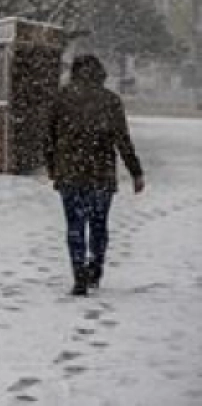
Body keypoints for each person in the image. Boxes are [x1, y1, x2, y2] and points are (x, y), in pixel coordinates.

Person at [45, 53, 145, 296]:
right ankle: (95, 268)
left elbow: (48, 138)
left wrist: (53, 167)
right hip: (101, 173)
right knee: (99, 225)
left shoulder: (60, 99)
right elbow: (122, 140)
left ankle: (79, 272)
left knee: (75, 225)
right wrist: (136, 172)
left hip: (70, 173)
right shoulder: (110, 100)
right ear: (100, 73)